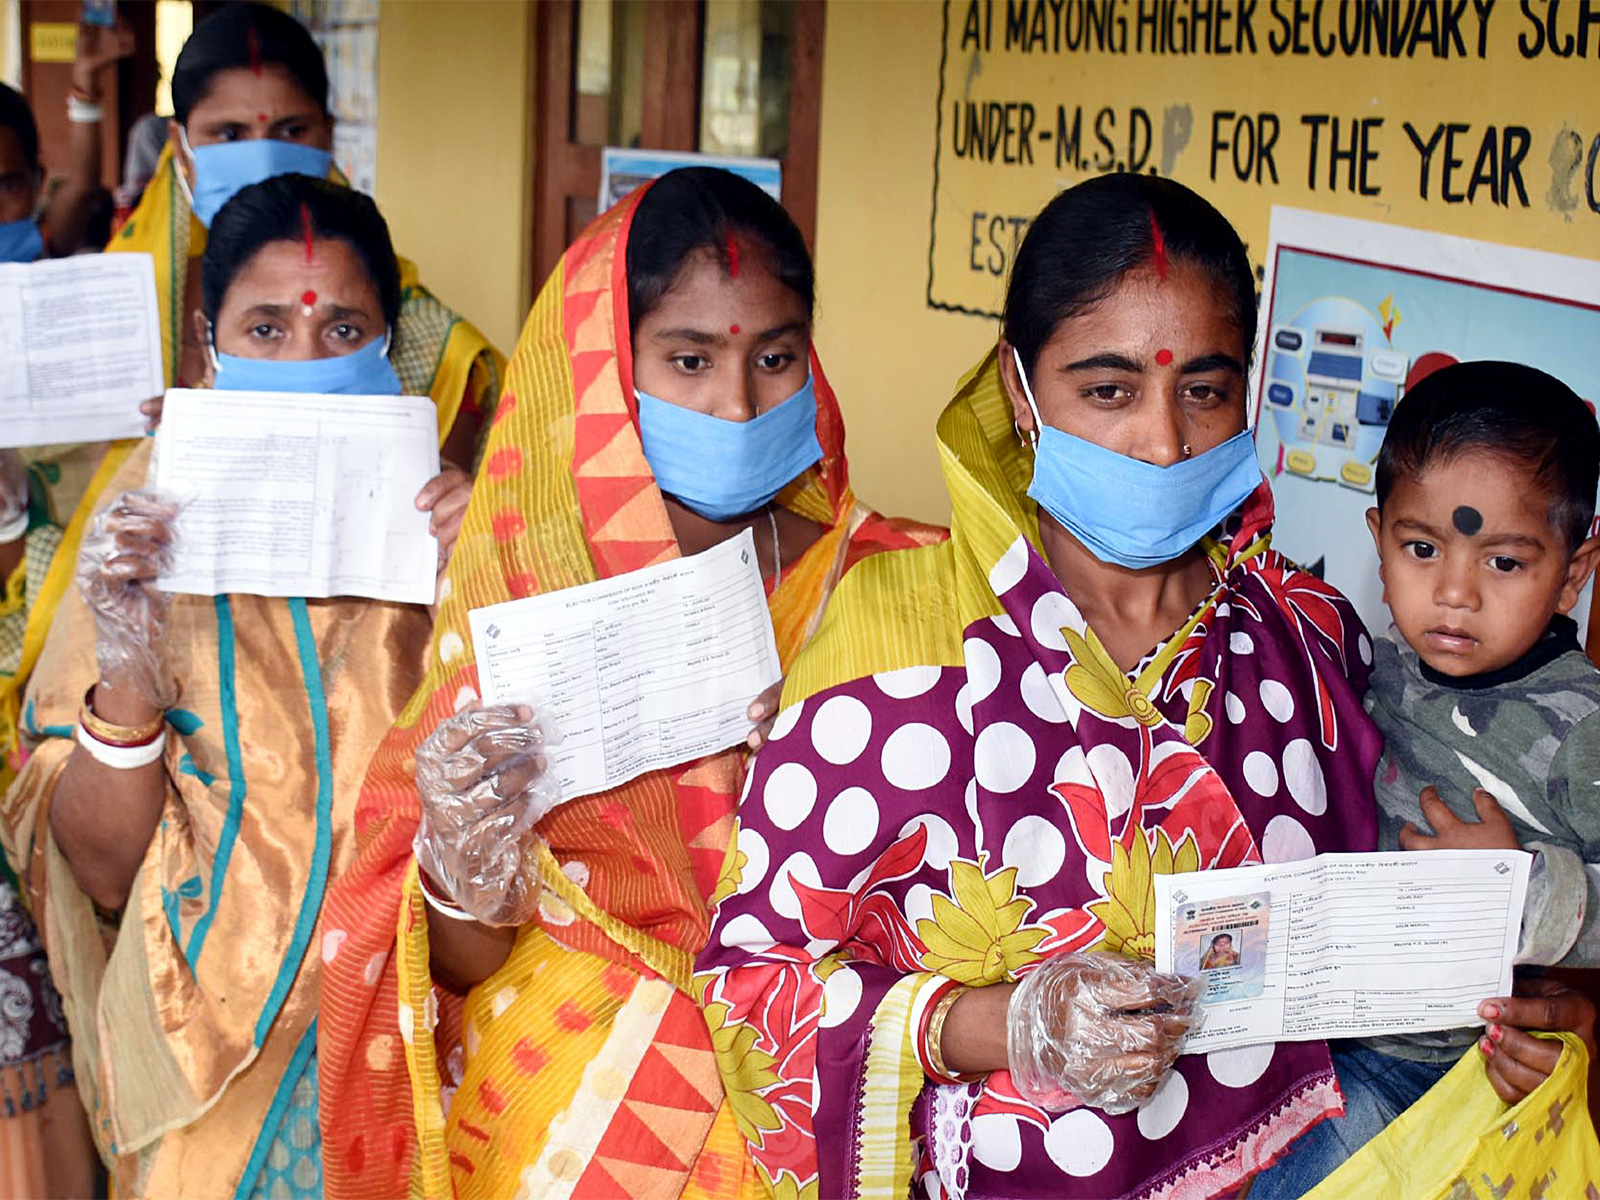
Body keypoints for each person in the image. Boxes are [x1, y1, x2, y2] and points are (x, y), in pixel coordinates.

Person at [693, 172, 1393, 1200]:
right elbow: (752, 986)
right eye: (1106, 391)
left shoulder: (1308, 643)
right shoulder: (895, 646)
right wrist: (999, 1025)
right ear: (1020, 394)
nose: (1161, 440)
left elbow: (1375, 956)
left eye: (1202, 390)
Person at [317, 166, 945, 1200]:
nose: (737, 403)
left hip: (820, 1096)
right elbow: (464, 961)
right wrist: (461, 865)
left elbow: (985, 882)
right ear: (605, 371)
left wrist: (834, 772)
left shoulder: (895, 586)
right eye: (688, 360)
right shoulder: (526, 593)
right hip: (557, 1121)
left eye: (775, 357)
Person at [0, 172, 473, 1199]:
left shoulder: (452, 525)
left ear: (392, 347)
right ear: (207, 349)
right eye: (265, 328)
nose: (306, 358)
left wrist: (484, 587)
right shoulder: (143, 523)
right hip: (200, 1060)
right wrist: (128, 667)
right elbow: (98, 872)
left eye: (343, 327)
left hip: (414, 1044)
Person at [1250, 361, 1600, 1198]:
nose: (1453, 592)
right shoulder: (1372, 676)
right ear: (1378, 540)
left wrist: (1513, 893)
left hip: (1455, 1073)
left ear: (1575, 571)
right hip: (1316, 1041)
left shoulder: (1581, 726)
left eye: (1504, 563)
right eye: (1421, 548)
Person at [110, 1, 502, 460]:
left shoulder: (437, 349)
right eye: (230, 135)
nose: (263, 160)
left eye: (291, 130)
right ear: (179, 144)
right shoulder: (123, 302)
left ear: (328, 135)